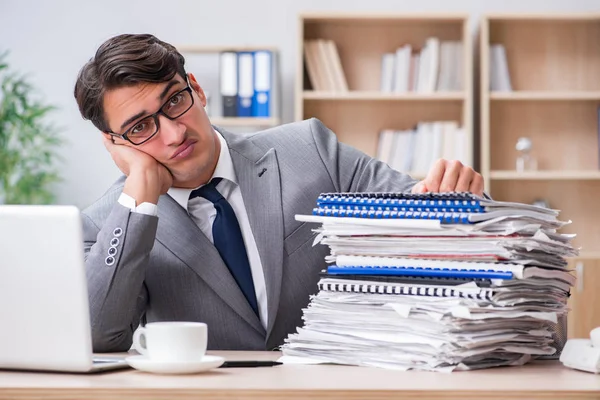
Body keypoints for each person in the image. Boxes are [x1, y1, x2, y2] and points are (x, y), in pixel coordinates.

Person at [74, 34, 484, 352]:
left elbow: (419, 209)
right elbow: (98, 337)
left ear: (196, 88)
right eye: (141, 127)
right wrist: (139, 199)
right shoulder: (108, 221)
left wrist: (452, 196)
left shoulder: (310, 149)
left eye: (176, 101)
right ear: (116, 144)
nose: (174, 132)